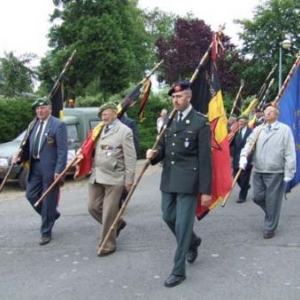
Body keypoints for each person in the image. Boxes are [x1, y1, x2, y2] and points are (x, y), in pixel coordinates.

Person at [146, 81, 212, 288]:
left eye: (179, 96)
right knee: (167, 216)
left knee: (183, 225)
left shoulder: (200, 122)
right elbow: (165, 150)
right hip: (169, 178)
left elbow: (205, 159)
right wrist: (153, 156)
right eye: (173, 97)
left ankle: (178, 270)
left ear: (189, 97)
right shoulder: (169, 120)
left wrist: (206, 190)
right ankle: (193, 241)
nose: (176, 100)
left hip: (189, 181)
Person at [14, 97, 68, 246]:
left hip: (50, 169)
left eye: (42, 107)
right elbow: (26, 148)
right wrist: (18, 158)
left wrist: (59, 170)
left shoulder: (58, 125)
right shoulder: (33, 125)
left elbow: (63, 151)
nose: (39, 110)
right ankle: (52, 214)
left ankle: (45, 232)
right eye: (37, 108)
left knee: (48, 199)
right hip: (35, 167)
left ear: (49, 108)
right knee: (30, 195)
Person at [86, 102, 136, 256]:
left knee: (108, 213)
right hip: (97, 175)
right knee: (92, 206)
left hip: (115, 177)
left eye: (106, 113)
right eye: (101, 115)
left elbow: (131, 157)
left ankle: (108, 245)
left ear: (115, 113)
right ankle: (118, 223)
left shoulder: (124, 131)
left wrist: (129, 179)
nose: (103, 117)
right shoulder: (99, 129)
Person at [239, 103, 296, 239]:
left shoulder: (284, 130)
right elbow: (249, 144)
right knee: (257, 197)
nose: (267, 113)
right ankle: (272, 213)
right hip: (259, 169)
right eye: (266, 111)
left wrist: (290, 171)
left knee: (272, 200)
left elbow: (289, 151)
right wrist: (243, 157)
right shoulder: (259, 129)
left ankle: (269, 228)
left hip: (275, 170)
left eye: (271, 111)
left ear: (277, 114)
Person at [118, 113, 139, 212]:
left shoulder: (129, 123)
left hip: (125, 156)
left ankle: (123, 198)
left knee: (125, 182)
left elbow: (135, 142)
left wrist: (132, 157)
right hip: (113, 159)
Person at [230, 115, 253, 203]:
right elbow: (230, 143)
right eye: (239, 121)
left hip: (247, 158)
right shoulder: (234, 132)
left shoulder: (251, 132)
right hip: (236, 158)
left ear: (247, 122)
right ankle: (246, 186)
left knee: (244, 177)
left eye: (242, 121)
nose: (241, 123)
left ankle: (242, 197)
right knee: (236, 176)